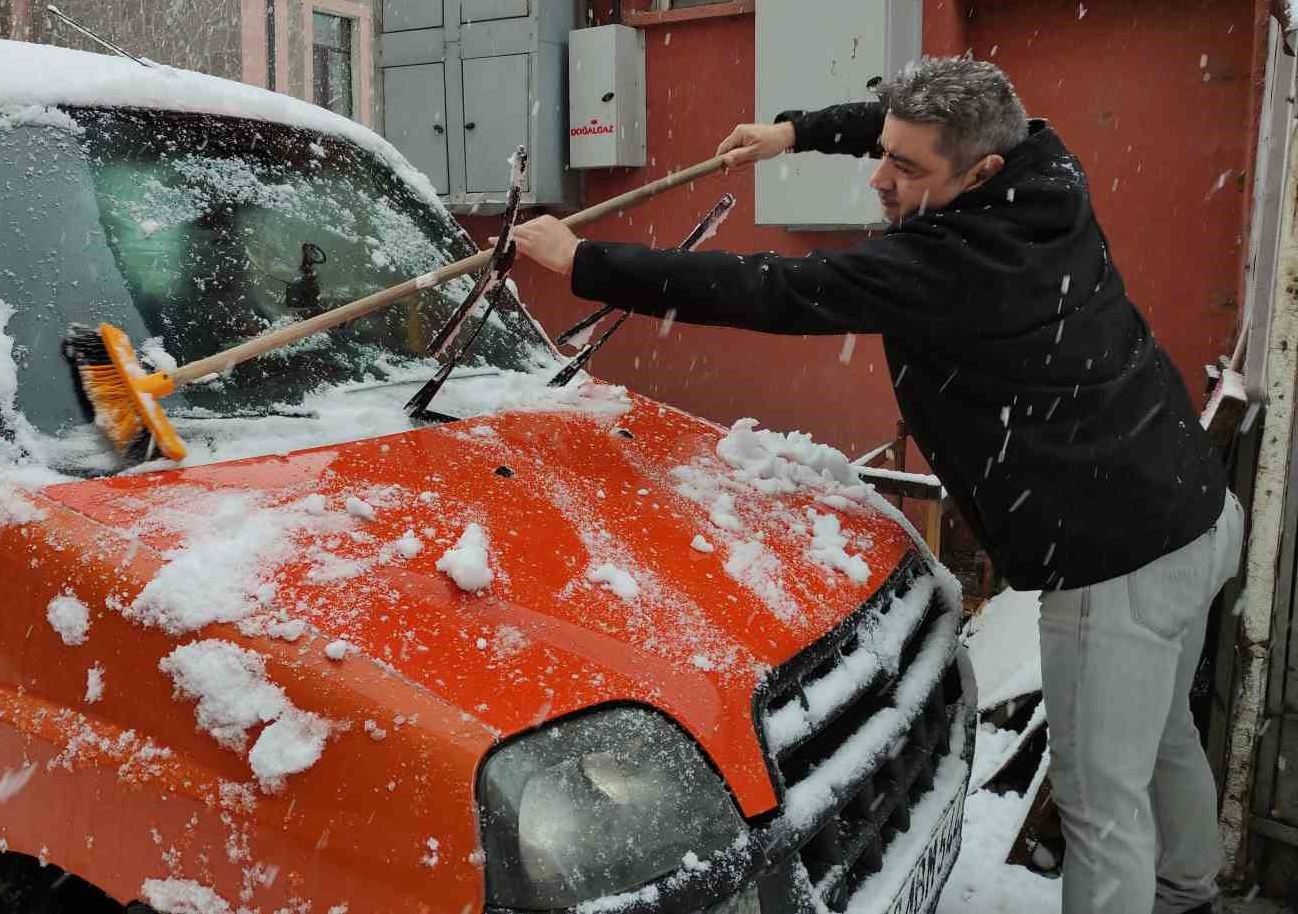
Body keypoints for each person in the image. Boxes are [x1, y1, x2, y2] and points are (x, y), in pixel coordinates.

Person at [508, 55, 1242, 914]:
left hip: (1115, 560)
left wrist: (584, 260)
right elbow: (897, 123)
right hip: (1197, 507)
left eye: (907, 168)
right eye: (882, 151)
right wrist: (793, 131)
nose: (880, 177)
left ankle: (1167, 891)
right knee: (1163, 735)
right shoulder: (1048, 166)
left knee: (1099, 805)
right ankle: (1191, 886)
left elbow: (774, 290)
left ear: (979, 173)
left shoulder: (953, 266)